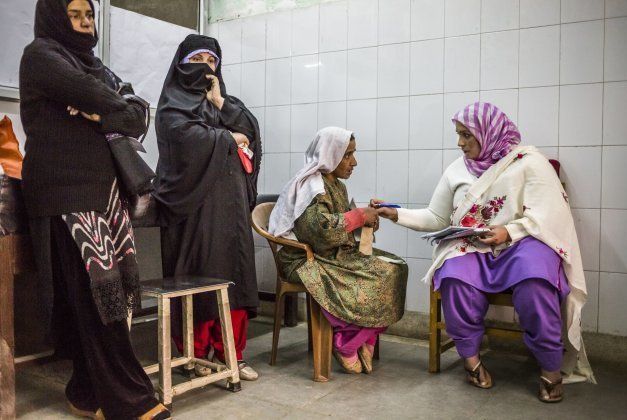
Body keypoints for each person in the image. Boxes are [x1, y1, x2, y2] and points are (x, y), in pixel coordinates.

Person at [376, 102, 594, 402]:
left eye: (467, 135)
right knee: (453, 275)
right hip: (475, 245)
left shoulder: (529, 162)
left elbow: (551, 215)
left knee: (536, 281)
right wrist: (395, 214)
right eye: (458, 134)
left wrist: (509, 231)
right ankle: (472, 362)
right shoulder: (456, 169)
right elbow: (437, 218)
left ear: (487, 132)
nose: (459, 142)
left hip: (522, 243)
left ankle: (551, 369)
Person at [19, 0, 168, 418]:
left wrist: (101, 111)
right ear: (54, 17)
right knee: (97, 299)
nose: (86, 24)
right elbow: (108, 100)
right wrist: (110, 106)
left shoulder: (91, 63)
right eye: (76, 16)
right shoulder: (41, 56)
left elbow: (139, 116)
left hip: (103, 194)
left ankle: (86, 392)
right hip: (67, 195)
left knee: (108, 298)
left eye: (90, 16)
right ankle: (129, 401)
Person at [153, 34, 262, 380]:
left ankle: (232, 354)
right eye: (197, 60)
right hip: (194, 212)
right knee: (197, 278)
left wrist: (221, 104)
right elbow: (183, 139)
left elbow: (252, 133)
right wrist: (226, 138)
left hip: (231, 212)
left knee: (235, 279)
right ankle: (195, 355)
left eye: (211, 61)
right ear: (182, 64)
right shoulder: (173, 105)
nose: (205, 67)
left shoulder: (224, 102)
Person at [269, 127, 407, 374]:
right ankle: (349, 342)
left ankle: (363, 336)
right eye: (347, 155)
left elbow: (339, 223)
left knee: (396, 267)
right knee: (380, 276)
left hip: (329, 255)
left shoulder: (337, 186)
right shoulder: (312, 187)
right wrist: (358, 216)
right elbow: (319, 232)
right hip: (305, 259)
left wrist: (367, 217)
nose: (354, 162)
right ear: (329, 155)